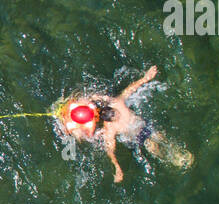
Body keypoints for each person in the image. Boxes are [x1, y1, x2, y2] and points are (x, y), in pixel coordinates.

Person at [60, 66, 193, 182]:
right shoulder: (109, 128)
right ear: (108, 120)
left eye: (116, 113)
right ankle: (175, 161)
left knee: (159, 136)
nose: (117, 116)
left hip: (144, 125)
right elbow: (110, 149)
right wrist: (116, 166)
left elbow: (131, 89)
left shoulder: (117, 102)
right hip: (138, 138)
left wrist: (146, 77)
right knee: (152, 146)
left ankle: (179, 154)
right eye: (115, 117)